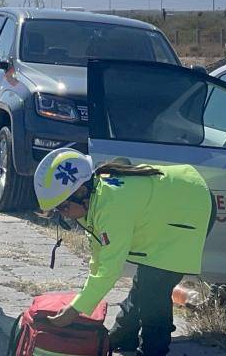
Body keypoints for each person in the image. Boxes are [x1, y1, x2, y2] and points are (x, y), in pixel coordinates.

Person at [33, 148, 214, 355]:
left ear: (81, 192)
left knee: (153, 295)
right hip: (173, 205)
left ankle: (152, 350)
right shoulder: (93, 200)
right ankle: (122, 337)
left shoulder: (111, 207)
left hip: (192, 207)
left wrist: (76, 309)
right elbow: (99, 257)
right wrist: (82, 299)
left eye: (63, 208)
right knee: (145, 285)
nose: (63, 215)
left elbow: (110, 269)